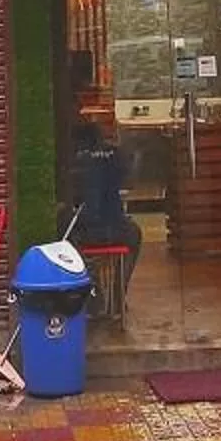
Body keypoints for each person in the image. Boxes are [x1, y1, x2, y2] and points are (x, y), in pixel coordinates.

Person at [70, 121, 141, 305]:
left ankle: (95, 295)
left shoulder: (74, 160)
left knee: (67, 243)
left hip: (86, 233)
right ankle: (118, 294)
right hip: (117, 230)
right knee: (135, 234)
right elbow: (129, 181)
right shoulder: (114, 154)